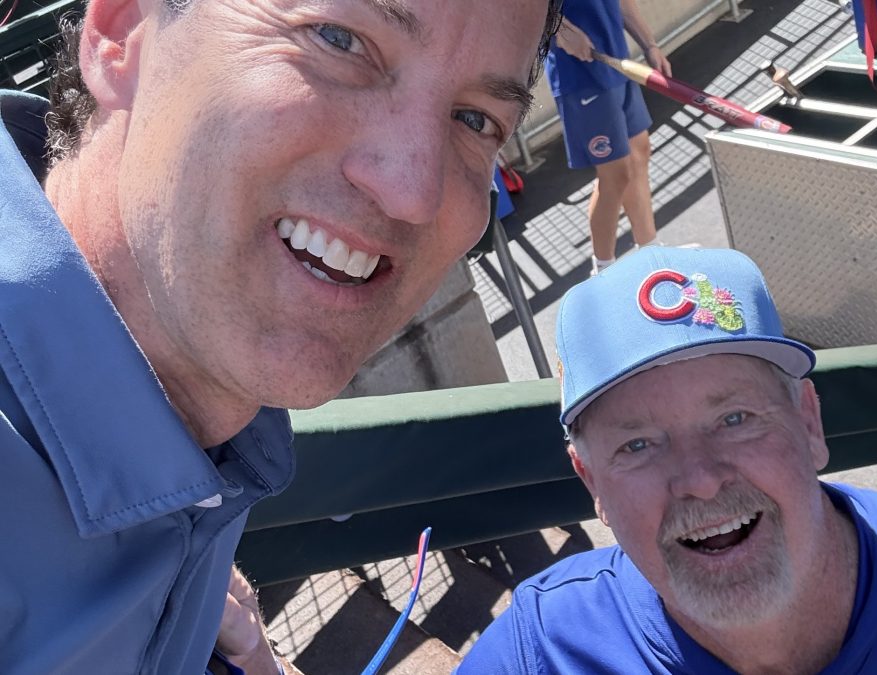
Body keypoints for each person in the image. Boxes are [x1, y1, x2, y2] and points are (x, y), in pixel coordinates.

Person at [0, 0, 561, 671]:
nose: (413, 190)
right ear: (121, 33)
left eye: (476, 120)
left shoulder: (201, 401)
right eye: (340, 40)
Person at [458, 247, 877, 674]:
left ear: (808, 422)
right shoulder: (541, 652)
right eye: (637, 445)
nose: (700, 480)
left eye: (734, 419)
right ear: (590, 481)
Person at [548, 0, 671, 275]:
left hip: (617, 61)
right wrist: (560, 28)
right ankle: (604, 271)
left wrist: (650, 45)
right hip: (579, 76)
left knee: (639, 152)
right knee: (616, 173)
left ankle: (652, 254)